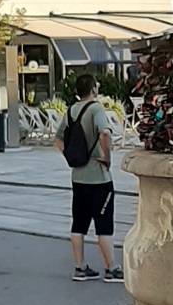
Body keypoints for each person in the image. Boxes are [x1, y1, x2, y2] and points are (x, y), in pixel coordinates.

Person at [53, 74, 123, 282]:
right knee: (104, 223)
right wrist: (106, 158)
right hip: (98, 177)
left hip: (78, 176)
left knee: (79, 223)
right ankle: (111, 268)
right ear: (93, 90)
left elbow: (57, 139)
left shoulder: (71, 110)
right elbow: (105, 133)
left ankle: (80, 267)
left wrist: (71, 157)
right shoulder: (96, 108)